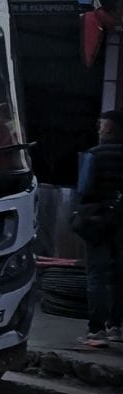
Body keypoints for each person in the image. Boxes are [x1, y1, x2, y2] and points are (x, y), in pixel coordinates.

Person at [75, 109, 123, 347]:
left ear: (110, 127)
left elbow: (84, 189)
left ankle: (96, 331)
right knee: (118, 275)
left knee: (96, 274)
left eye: (102, 124)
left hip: (97, 222)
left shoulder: (95, 155)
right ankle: (116, 327)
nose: (99, 128)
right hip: (120, 222)